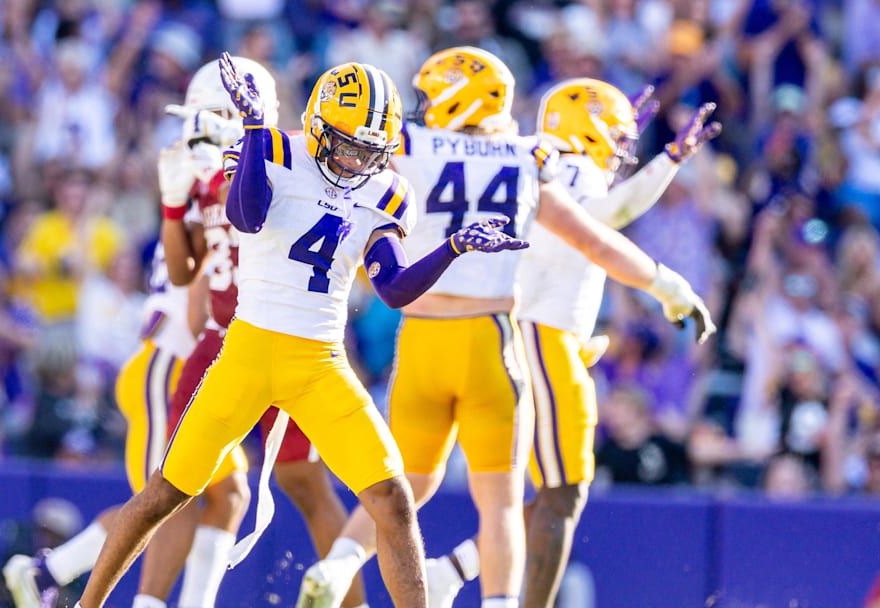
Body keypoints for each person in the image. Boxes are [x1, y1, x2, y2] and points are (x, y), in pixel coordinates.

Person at [74, 52, 528, 608]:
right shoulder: (278, 147)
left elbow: (392, 286)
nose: (359, 159)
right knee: (165, 493)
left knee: (393, 497)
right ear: (317, 126)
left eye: (371, 149)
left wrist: (453, 246)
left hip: (319, 365)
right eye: (349, 144)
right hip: (248, 353)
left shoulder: (386, 188)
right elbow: (245, 217)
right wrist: (257, 133)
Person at [297, 48, 716, 608]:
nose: (422, 108)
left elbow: (336, 161)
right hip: (492, 339)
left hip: (420, 336)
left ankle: (342, 563)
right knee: (502, 502)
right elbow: (596, 235)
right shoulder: (525, 155)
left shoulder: (411, 147)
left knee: (405, 487)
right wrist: (667, 285)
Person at [425, 77, 722, 607]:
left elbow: (607, 211)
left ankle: (454, 570)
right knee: (565, 493)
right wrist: (668, 162)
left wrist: (668, 159)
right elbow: (610, 220)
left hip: (539, 338)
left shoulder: (555, 165)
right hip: (542, 338)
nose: (622, 152)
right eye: (617, 137)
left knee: (558, 492)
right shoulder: (565, 166)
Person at [157, 56, 368, 608]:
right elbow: (188, 274)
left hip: (282, 337)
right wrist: (173, 201)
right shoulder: (205, 181)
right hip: (224, 339)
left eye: (206, 119)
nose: (193, 133)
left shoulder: (285, 161)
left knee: (303, 482)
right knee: (179, 486)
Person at [2, 231, 197, 608]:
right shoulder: (208, 209)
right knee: (163, 502)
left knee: (227, 495)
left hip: (188, 372)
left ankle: (48, 572)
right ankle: (59, 581)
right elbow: (203, 311)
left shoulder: (204, 209)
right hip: (171, 369)